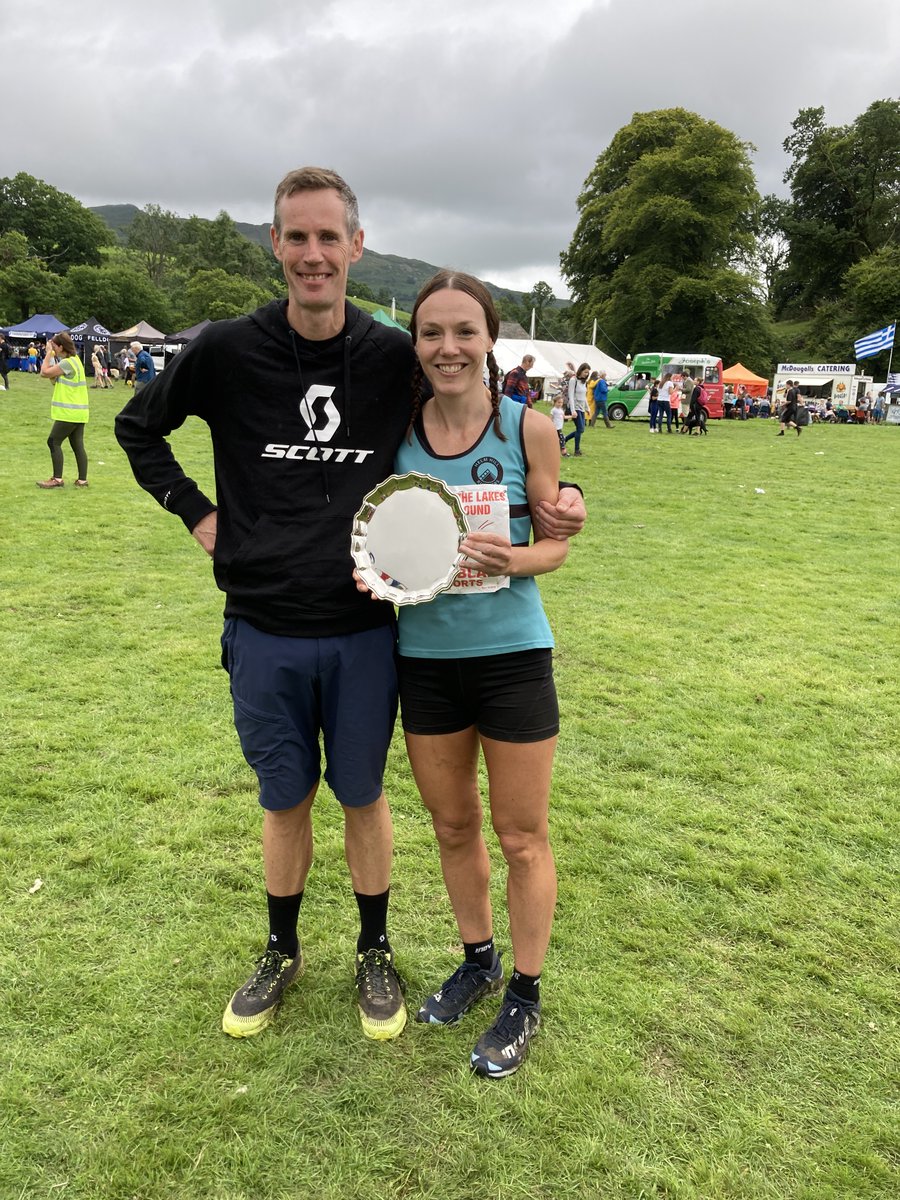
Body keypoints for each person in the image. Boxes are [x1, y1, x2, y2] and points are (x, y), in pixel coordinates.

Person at [115, 167, 587, 1047]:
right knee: (284, 796)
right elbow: (138, 429)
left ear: (356, 247)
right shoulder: (222, 348)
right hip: (262, 626)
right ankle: (281, 949)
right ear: (275, 245)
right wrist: (199, 514)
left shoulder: (387, 360)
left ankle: (376, 951)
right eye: (297, 236)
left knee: (364, 797)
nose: (313, 253)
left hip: (371, 631)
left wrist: (566, 500)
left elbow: (480, 431)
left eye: (329, 237)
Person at [392, 270, 566, 1078]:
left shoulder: (530, 426)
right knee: (454, 826)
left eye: (465, 331)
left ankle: (524, 995)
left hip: (512, 658)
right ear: (416, 343)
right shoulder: (396, 429)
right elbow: (379, 540)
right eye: (433, 333)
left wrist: (517, 553)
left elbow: (556, 541)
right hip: (424, 661)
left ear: (491, 338)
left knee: (521, 836)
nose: (449, 347)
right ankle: (478, 958)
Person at [37, 332, 89, 488]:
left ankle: (57, 479)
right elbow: (54, 379)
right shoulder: (76, 361)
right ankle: (82, 480)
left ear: (60, 347)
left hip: (69, 413)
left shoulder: (67, 363)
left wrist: (47, 354)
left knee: (53, 442)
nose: (52, 348)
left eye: (54, 346)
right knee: (77, 445)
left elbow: (44, 372)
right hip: (79, 412)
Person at [564, 362, 589, 456]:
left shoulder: (584, 382)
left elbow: (584, 396)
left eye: (587, 373)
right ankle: (577, 451)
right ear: (581, 370)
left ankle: (564, 440)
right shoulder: (573, 380)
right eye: (585, 372)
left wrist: (588, 408)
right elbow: (570, 395)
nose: (586, 374)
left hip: (581, 408)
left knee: (581, 430)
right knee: (580, 428)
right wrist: (573, 410)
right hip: (575, 407)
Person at [551, 391, 567, 455]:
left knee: (560, 439)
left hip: (559, 428)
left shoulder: (561, 410)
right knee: (562, 439)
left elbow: (564, 417)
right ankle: (564, 452)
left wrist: (572, 416)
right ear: (555, 402)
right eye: (558, 402)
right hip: (555, 428)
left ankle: (556, 450)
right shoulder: (553, 410)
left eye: (561, 403)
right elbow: (551, 418)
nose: (560, 404)